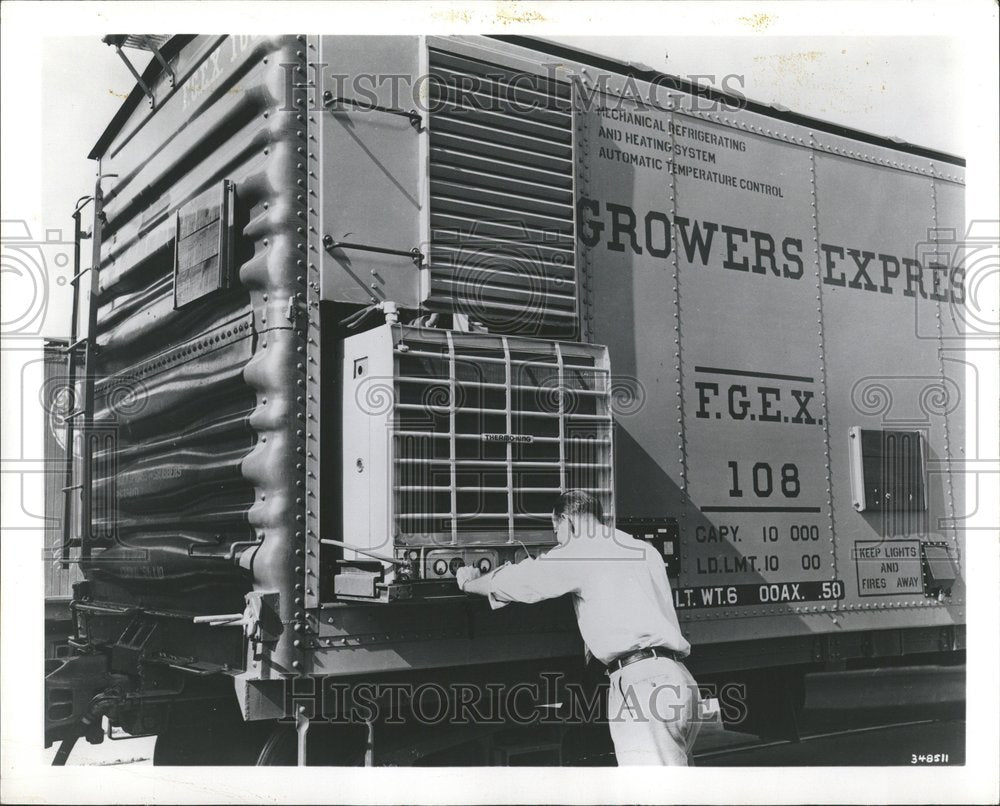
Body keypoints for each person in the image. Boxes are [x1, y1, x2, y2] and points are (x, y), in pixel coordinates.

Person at [456, 489, 703, 766]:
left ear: (566, 520)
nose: (558, 542)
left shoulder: (581, 549)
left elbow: (524, 581)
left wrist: (470, 583)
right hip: (680, 679)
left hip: (642, 686)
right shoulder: (645, 549)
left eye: (557, 532)